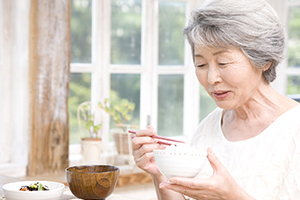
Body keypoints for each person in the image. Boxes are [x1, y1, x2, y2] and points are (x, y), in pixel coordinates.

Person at [132, 0, 300, 199]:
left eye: (223, 62)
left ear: (264, 60)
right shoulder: (209, 127)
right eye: (201, 64)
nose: (211, 79)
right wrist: (161, 172)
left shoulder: (294, 130)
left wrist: (231, 196)